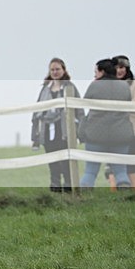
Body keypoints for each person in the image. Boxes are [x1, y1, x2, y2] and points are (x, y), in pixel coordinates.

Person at [78, 59, 134, 189]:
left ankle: (83, 196)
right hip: (120, 134)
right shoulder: (124, 86)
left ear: (102, 71)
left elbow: (84, 103)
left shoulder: (94, 85)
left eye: (96, 72)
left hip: (95, 135)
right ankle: (126, 197)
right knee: (121, 171)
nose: (95, 75)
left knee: (90, 171)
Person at [31, 58, 84, 192]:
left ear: (63, 70)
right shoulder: (45, 89)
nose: (55, 72)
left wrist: (81, 131)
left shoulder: (70, 87)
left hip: (64, 130)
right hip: (48, 130)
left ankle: (68, 189)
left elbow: (79, 110)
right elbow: (37, 111)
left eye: (57, 69)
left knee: (66, 162)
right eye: (52, 70)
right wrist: (35, 135)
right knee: (52, 161)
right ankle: (54, 188)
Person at [113, 55, 135, 190]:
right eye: (115, 68)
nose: (119, 71)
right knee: (114, 165)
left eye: (121, 67)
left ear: (126, 68)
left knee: (132, 165)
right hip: (115, 131)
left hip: (134, 131)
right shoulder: (109, 85)